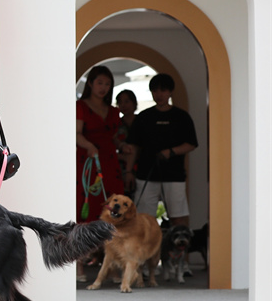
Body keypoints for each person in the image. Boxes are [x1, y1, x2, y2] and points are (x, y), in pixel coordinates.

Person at [124, 73, 198, 230]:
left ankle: (178, 245)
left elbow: (191, 144)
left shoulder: (181, 116)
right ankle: (147, 246)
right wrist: (129, 171)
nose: (159, 95)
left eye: (163, 90)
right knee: (144, 220)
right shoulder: (143, 117)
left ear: (170, 92)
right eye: (155, 91)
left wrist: (171, 152)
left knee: (178, 218)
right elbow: (133, 146)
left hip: (174, 175)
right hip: (146, 174)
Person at [76, 65, 124, 281]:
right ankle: (79, 266)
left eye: (107, 84)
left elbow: (113, 137)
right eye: (99, 83)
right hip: (87, 163)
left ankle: (112, 266)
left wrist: (123, 147)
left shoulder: (113, 110)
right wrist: (89, 145)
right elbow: (76, 133)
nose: (103, 87)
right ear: (90, 84)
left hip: (110, 163)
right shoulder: (81, 106)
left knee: (113, 213)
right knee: (84, 211)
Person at [115, 89, 138, 196]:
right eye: (120, 102)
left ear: (134, 103)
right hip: (121, 168)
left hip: (141, 167)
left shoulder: (142, 121)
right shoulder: (116, 124)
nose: (123, 105)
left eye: (127, 101)